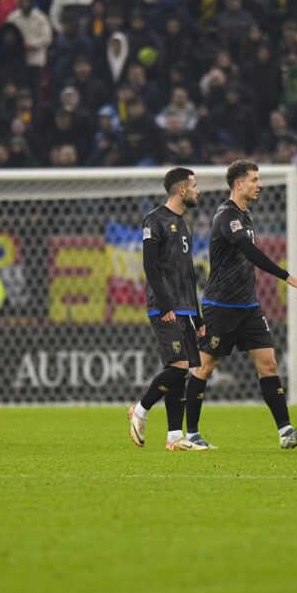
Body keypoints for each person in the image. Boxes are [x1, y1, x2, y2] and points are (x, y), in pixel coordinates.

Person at [183, 160, 297, 450]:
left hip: (248, 307)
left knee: (268, 363)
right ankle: (190, 434)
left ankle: (286, 432)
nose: (260, 184)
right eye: (254, 179)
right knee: (206, 367)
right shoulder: (227, 216)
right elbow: (249, 252)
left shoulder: (245, 215)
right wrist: (288, 277)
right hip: (221, 306)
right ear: (238, 184)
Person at [127, 167, 211, 451]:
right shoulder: (154, 220)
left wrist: (197, 315)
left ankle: (175, 437)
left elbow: (188, 273)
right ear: (182, 190)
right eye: (195, 186)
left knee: (182, 371)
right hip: (165, 306)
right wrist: (164, 304)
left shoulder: (184, 223)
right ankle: (140, 408)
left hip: (185, 308)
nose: (198, 190)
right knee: (179, 366)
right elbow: (149, 264)